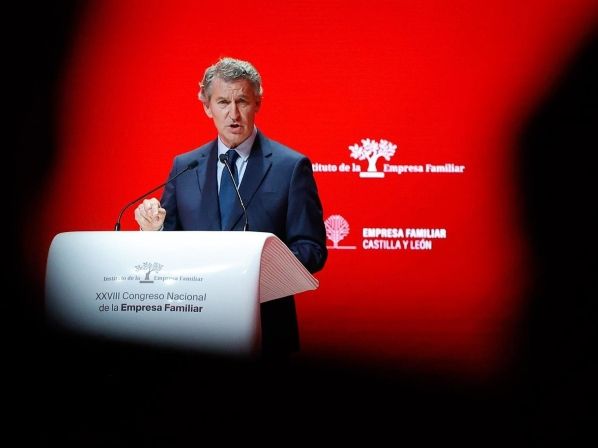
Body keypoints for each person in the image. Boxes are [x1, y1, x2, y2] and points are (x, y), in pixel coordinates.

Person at [134, 57, 327, 356]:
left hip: (265, 328)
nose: (233, 114)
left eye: (242, 101)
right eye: (223, 102)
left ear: (258, 103)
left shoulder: (290, 167)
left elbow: (311, 249)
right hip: (193, 328)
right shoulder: (185, 166)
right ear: (207, 107)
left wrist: (254, 269)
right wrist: (155, 231)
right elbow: (170, 243)